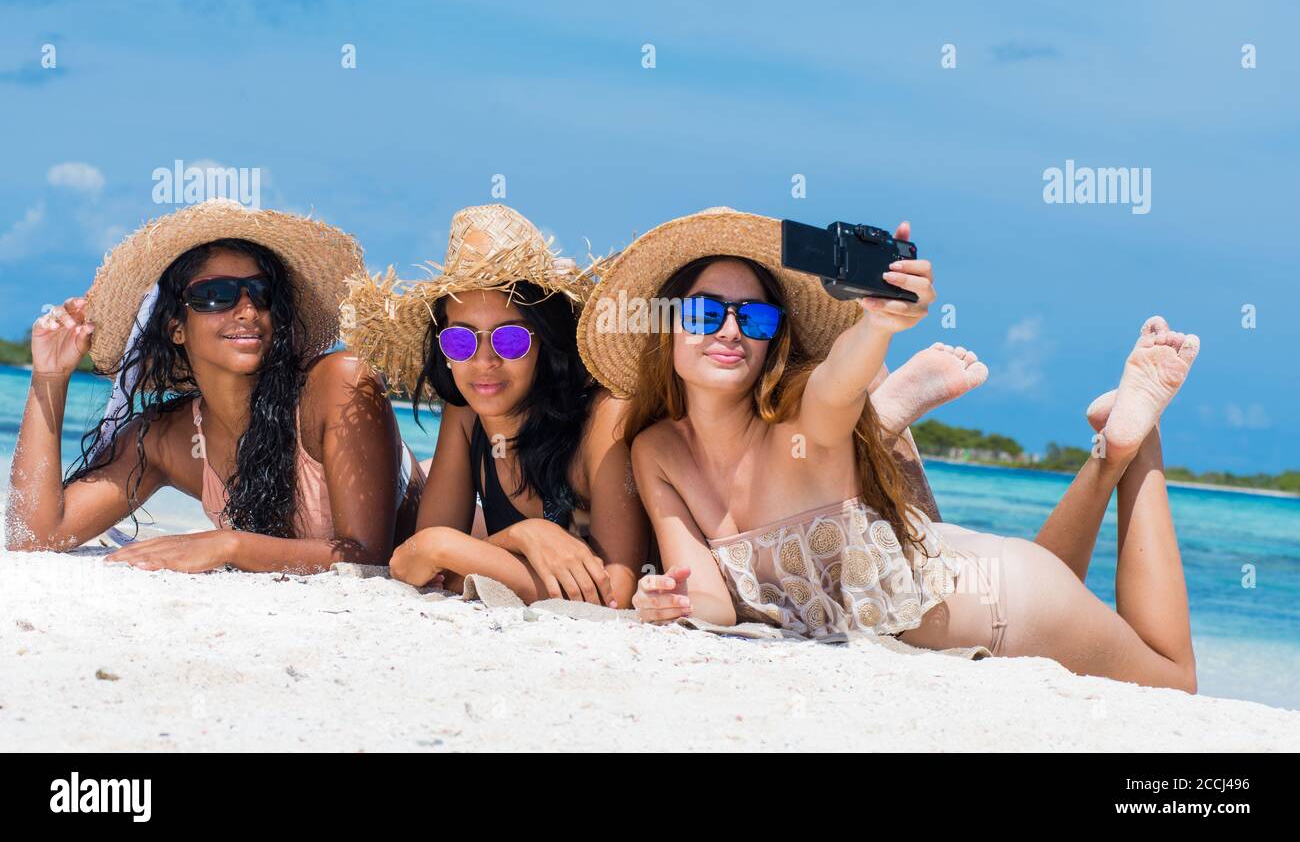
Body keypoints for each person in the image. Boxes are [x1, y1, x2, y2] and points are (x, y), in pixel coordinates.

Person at [577, 206, 1199, 694]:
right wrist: (672, 600)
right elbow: (708, 597)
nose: (731, 330)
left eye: (756, 319)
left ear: (774, 341)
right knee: (1064, 578)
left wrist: (877, 325)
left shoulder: (794, 418)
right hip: (971, 574)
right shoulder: (657, 450)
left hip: (1008, 610)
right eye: (706, 312)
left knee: (1175, 681)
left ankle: (1136, 444)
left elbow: (837, 387)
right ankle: (1110, 450)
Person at [5, 199, 423, 573]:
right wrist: (50, 379)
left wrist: (228, 545)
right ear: (175, 326)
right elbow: (36, 536)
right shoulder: (170, 438)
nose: (246, 309)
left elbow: (367, 555)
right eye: (216, 295)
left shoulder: (339, 385)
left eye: (262, 293)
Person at [342, 205, 648, 606]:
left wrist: (454, 551)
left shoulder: (605, 415)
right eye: (461, 341)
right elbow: (417, 563)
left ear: (546, 341)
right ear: (443, 351)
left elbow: (614, 591)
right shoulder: (467, 413)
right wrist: (523, 535)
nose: (484, 361)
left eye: (510, 339)